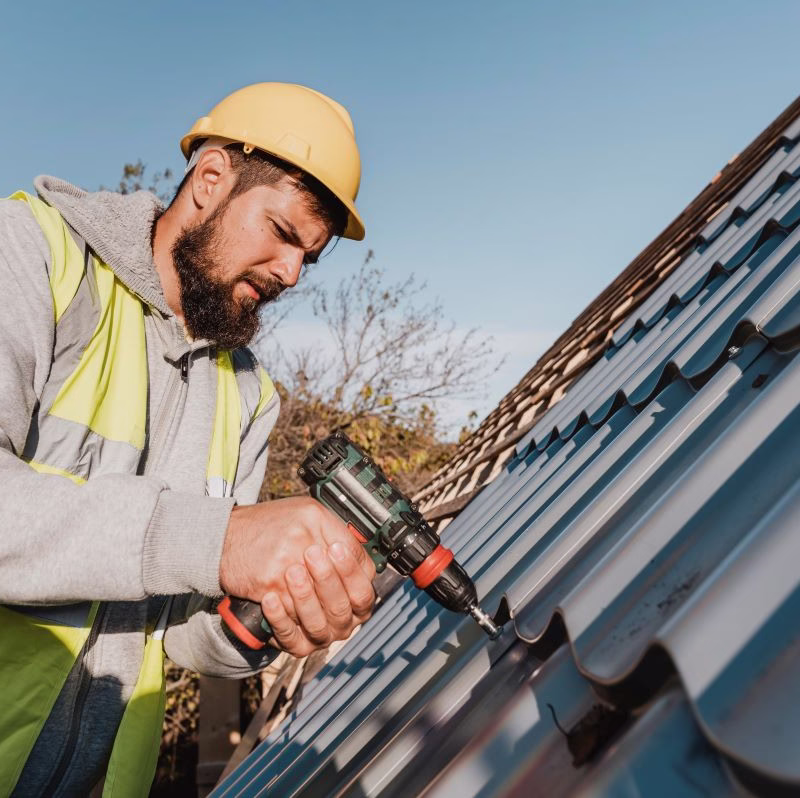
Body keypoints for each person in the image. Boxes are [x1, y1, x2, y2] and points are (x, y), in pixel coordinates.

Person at [0, 82, 376, 797]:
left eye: (309, 256)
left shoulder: (249, 394)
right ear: (210, 179)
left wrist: (265, 617)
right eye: (282, 232)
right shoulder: (33, 256)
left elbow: (179, 630)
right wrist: (219, 540)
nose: (291, 273)